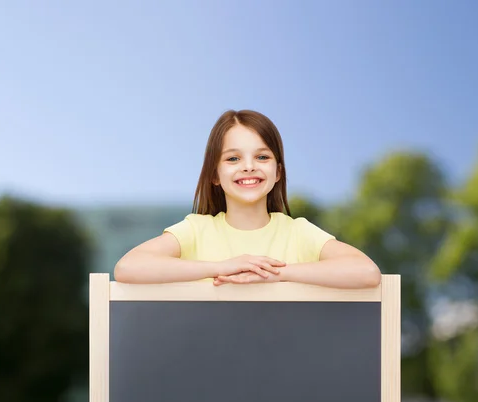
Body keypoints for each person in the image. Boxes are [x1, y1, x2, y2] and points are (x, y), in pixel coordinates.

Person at [114, 109, 381, 289]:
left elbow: (366, 272)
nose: (249, 167)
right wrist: (222, 267)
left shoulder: (297, 232)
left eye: (262, 157)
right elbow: (128, 267)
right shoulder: (196, 230)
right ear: (215, 175)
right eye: (233, 158)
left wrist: (275, 274)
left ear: (278, 172)